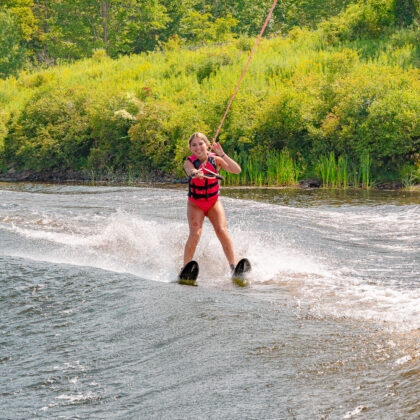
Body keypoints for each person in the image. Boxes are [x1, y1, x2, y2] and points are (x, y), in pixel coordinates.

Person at [183, 132, 241, 272]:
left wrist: (222, 154)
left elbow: (236, 170)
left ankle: (233, 266)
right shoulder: (189, 162)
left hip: (213, 203)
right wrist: (196, 173)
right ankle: (185, 268)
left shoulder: (216, 160)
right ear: (190, 148)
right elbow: (189, 170)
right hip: (196, 204)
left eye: (201, 144)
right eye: (194, 145)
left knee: (221, 230)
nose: (198, 147)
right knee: (195, 233)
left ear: (207, 145)